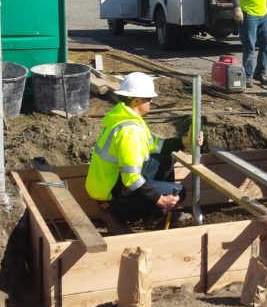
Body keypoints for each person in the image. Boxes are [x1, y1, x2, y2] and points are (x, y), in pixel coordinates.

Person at [85, 72, 203, 231]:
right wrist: (160, 199)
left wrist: (185, 141)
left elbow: (155, 145)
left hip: (110, 183)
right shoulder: (130, 131)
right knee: (180, 192)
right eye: (148, 98)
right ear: (136, 100)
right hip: (114, 197)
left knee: (165, 158)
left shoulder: (124, 118)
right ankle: (127, 216)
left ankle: (155, 213)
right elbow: (132, 180)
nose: (151, 101)